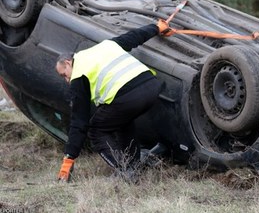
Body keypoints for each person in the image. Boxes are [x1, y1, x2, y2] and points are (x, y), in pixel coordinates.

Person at [55, 19, 173, 182]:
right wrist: (156, 28)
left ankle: (124, 171)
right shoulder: (105, 46)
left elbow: (79, 122)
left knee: (96, 130)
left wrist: (69, 158)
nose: (66, 80)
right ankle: (133, 166)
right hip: (151, 87)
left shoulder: (79, 74)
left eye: (64, 74)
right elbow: (135, 36)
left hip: (130, 95)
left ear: (68, 62)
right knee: (122, 123)